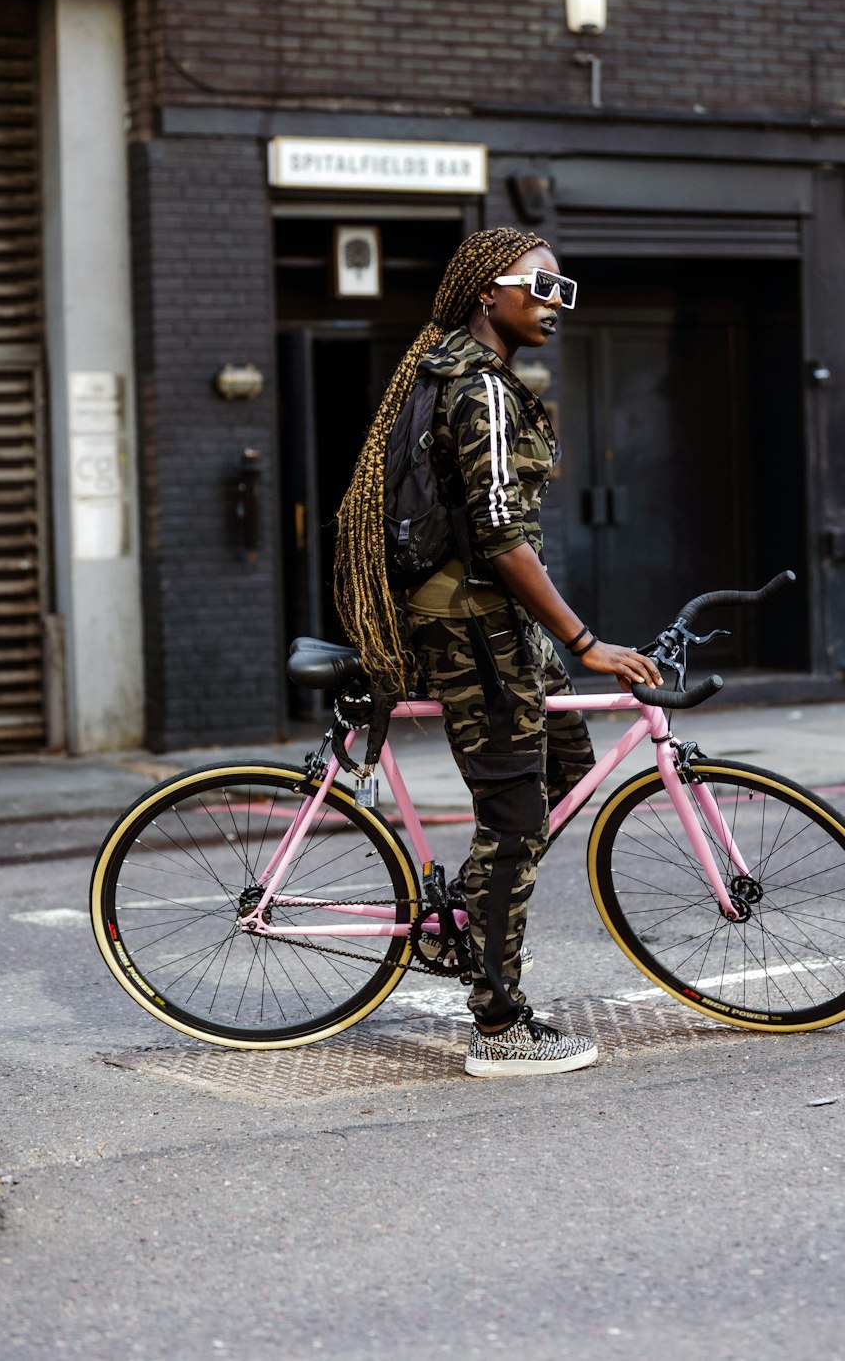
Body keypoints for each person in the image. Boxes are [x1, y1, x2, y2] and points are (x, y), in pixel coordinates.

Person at [335, 226, 662, 1077]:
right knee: (513, 818)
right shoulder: (475, 388)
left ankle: (466, 924)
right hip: (475, 625)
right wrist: (583, 641)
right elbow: (500, 534)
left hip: (493, 625)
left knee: (561, 772)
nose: (556, 305)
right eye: (542, 287)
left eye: (565, 291)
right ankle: (498, 1025)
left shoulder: (452, 370)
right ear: (491, 292)